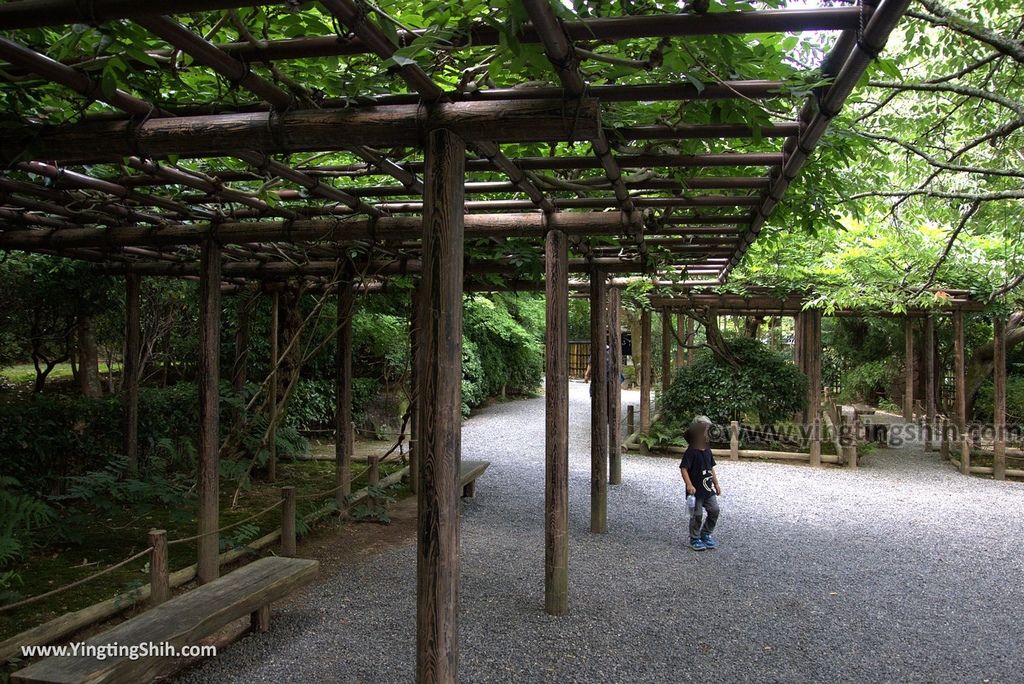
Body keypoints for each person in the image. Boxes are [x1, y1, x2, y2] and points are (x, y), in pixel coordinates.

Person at [679, 415, 722, 551]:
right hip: (695, 491)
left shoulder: (708, 451)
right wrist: (689, 484)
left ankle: (706, 534)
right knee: (697, 515)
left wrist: (716, 484)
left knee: (715, 510)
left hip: (708, 490)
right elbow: (684, 468)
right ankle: (695, 537)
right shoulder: (691, 452)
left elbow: (711, 469)